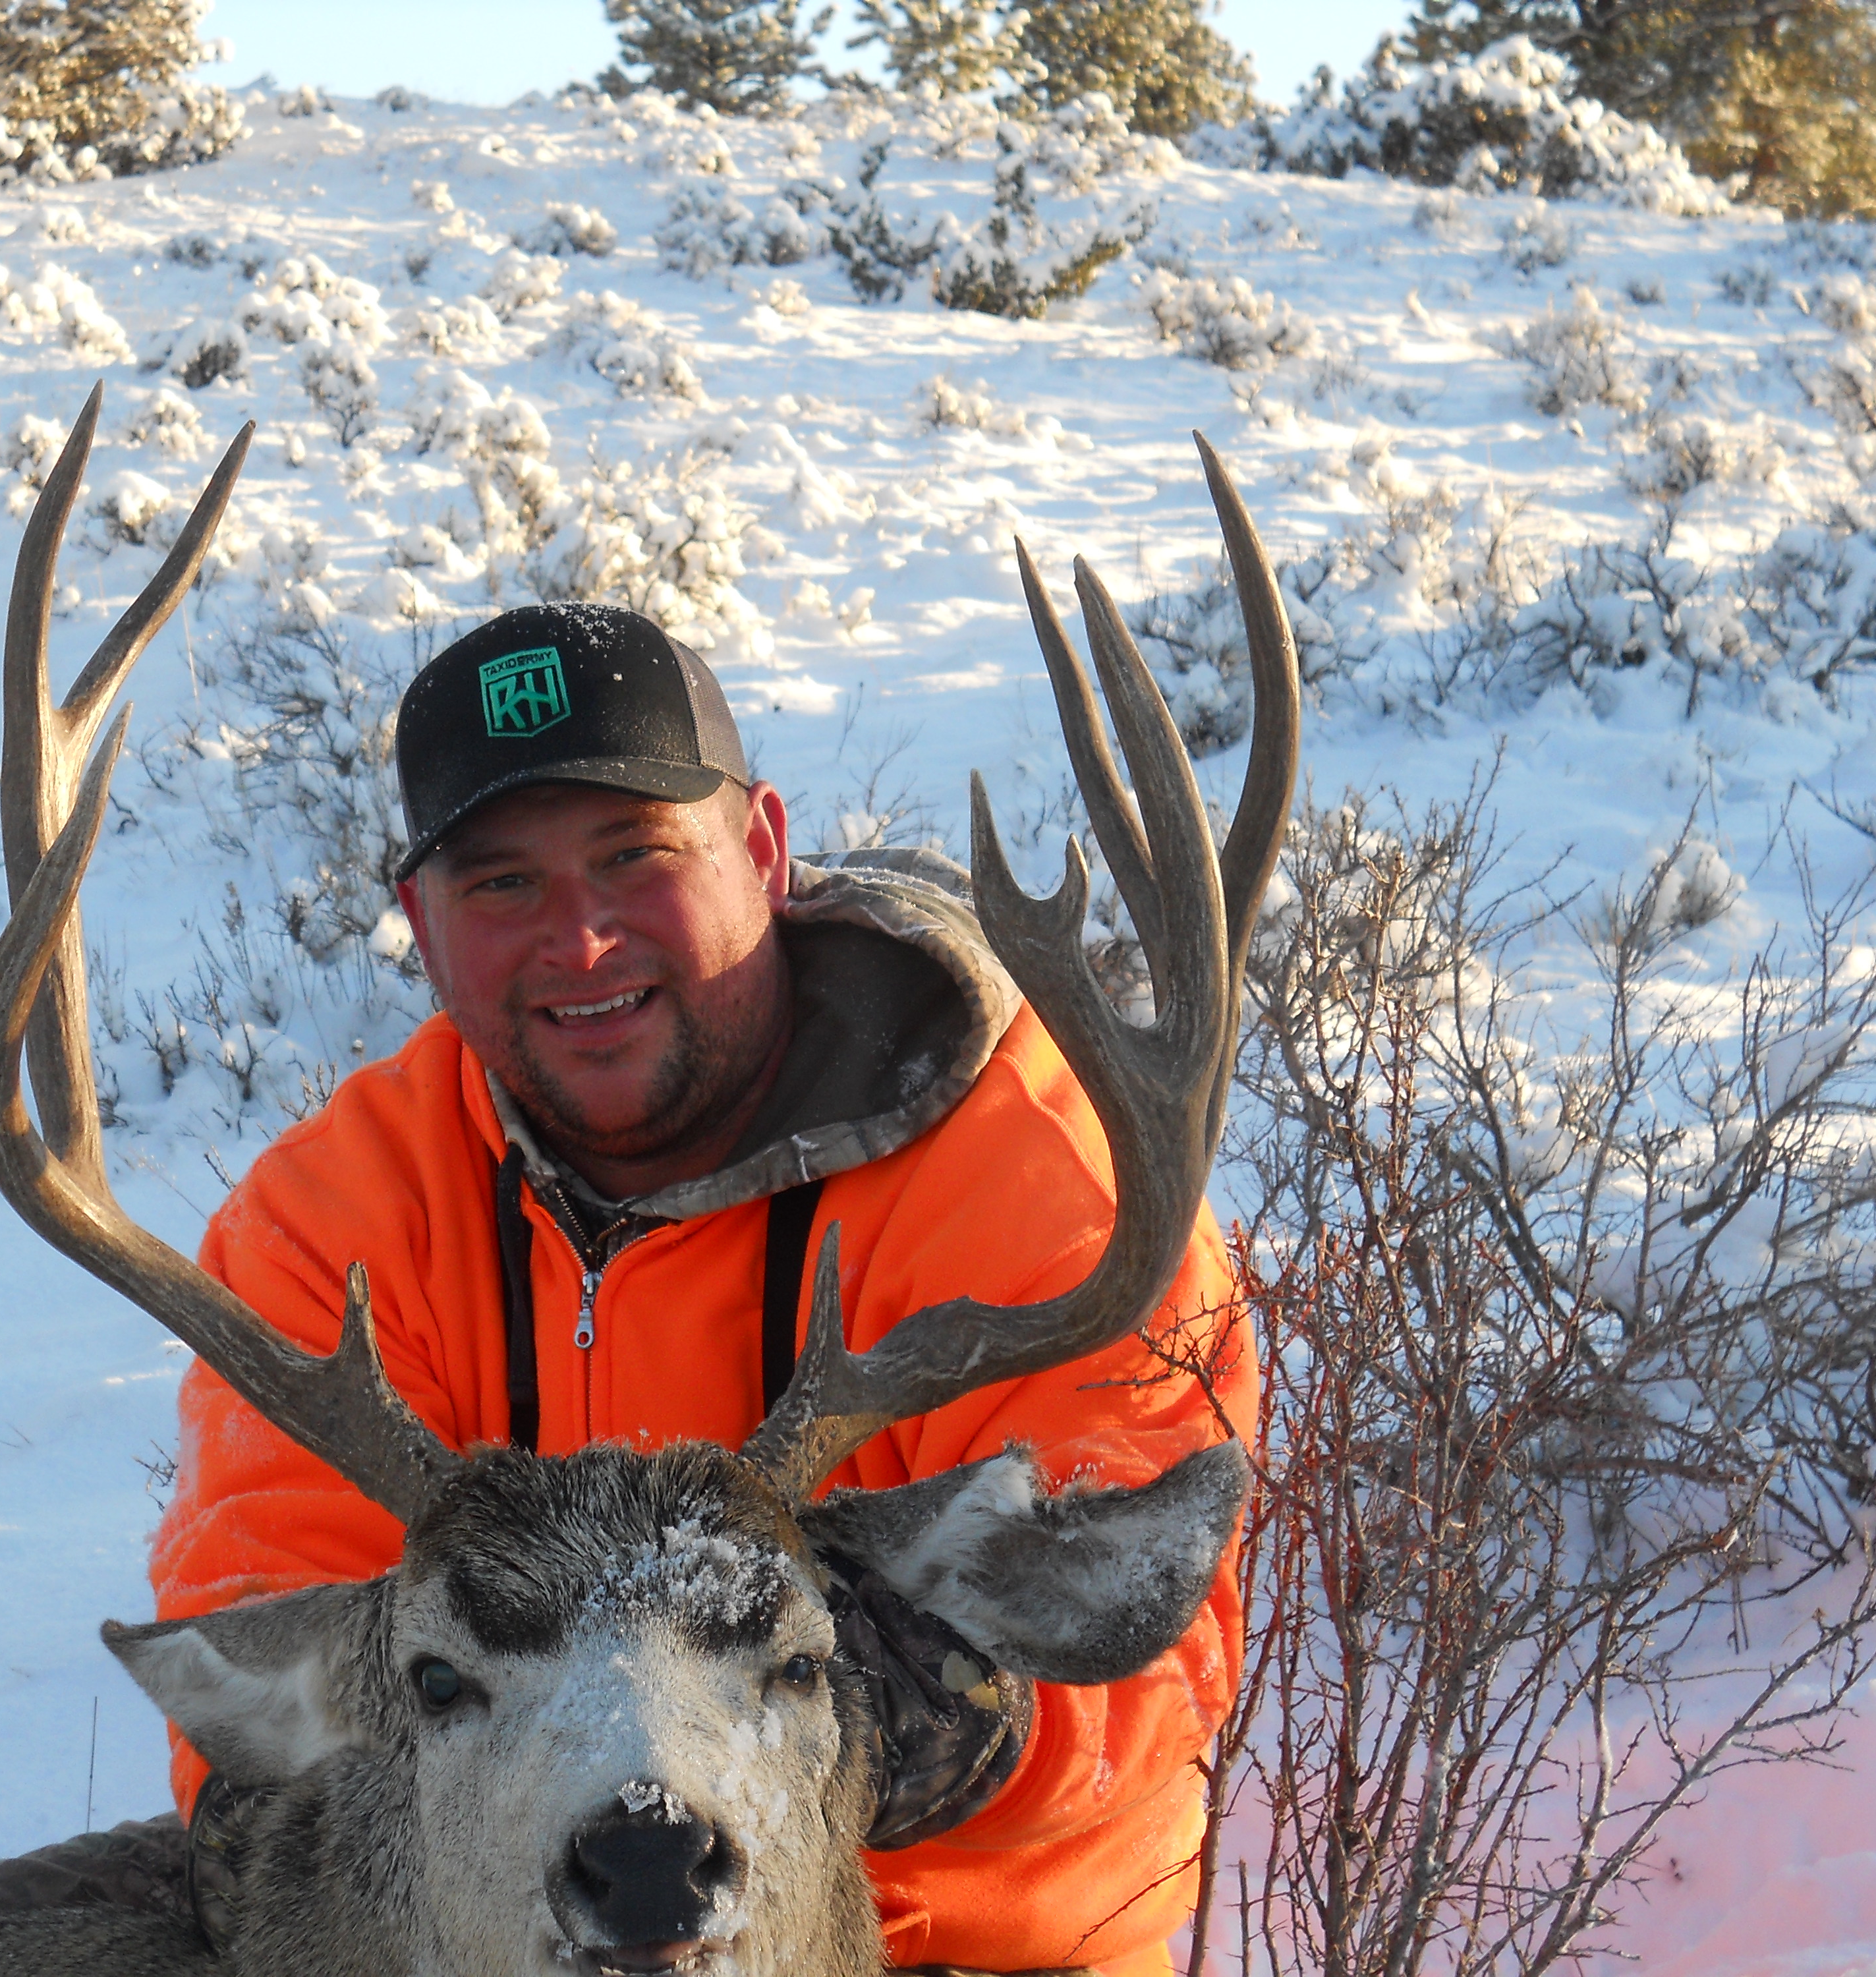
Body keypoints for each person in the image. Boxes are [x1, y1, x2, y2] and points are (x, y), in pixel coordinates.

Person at [148, 600, 1253, 1977]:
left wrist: (877, 1704)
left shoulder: (1038, 1171)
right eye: (502, 884)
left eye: (636, 854)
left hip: (964, 1948)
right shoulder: (334, 1219)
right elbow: (266, 1647)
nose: (581, 941)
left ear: (764, 850)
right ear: (421, 928)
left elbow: (1146, 1655)